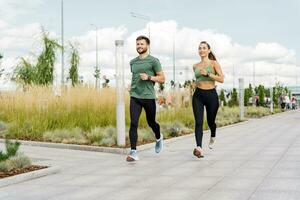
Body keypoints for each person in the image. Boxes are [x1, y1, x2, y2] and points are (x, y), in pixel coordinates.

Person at [126, 35, 165, 162]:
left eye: (142, 44)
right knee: (133, 123)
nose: (139, 46)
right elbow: (135, 77)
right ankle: (133, 152)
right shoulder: (133, 62)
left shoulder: (154, 61)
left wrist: (149, 77)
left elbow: (162, 78)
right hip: (135, 96)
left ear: (147, 46)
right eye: (137, 44)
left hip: (148, 97)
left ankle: (158, 137)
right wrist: (130, 86)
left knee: (151, 122)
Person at [192, 41, 224, 158]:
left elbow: (221, 79)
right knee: (199, 122)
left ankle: (213, 133)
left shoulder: (214, 63)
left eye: (204, 48)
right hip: (198, 95)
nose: (202, 50)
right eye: (200, 48)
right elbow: (197, 79)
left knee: (211, 122)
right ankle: (199, 147)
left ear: (209, 50)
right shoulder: (195, 66)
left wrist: (208, 74)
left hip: (211, 95)